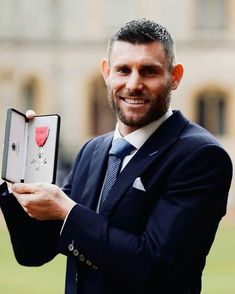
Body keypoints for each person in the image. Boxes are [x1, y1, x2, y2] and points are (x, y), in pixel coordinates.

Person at [0, 19, 233, 294]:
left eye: (149, 71)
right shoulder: (92, 151)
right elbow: (36, 252)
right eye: (123, 70)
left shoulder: (201, 156)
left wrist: (67, 211)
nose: (134, 84)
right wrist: (16, 179)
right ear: (106, 72)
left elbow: (155, 267)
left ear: (175, 76)